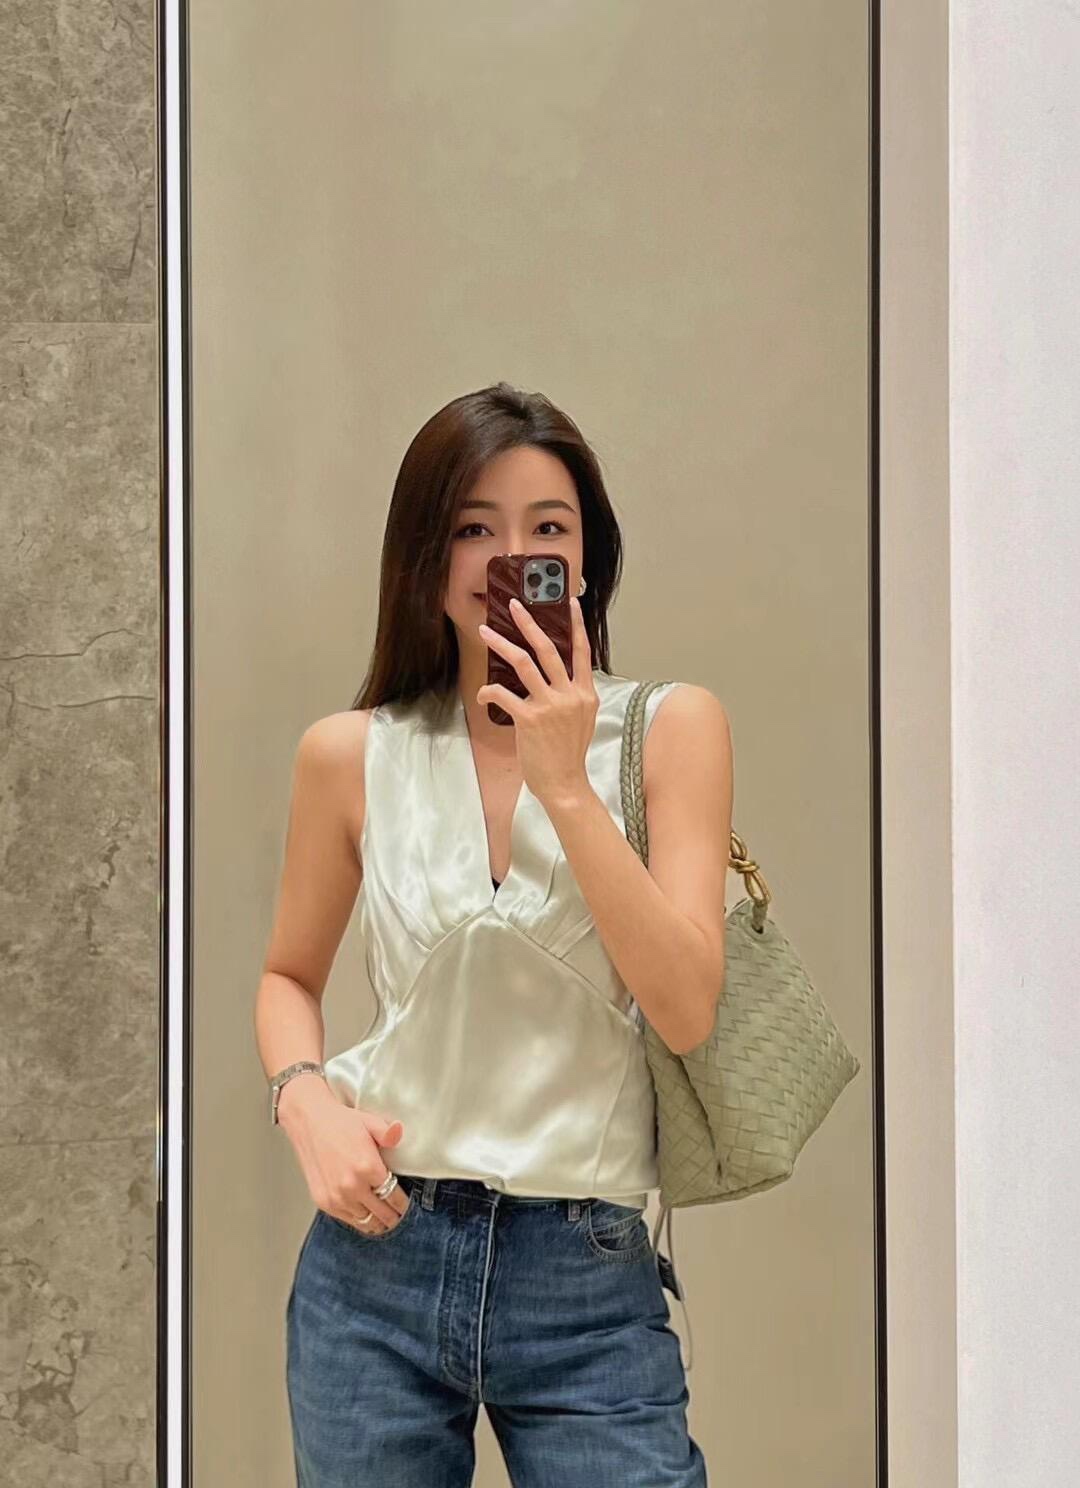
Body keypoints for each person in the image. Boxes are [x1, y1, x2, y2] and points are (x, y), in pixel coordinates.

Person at [255, 381, 733, 1487]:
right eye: (475, 529)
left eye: (547, 530)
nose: (511, 557)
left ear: (585, 563)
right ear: (426, 560)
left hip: (584, 1271)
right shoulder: (349, 753)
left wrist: (565, 782)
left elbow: (685, 1008)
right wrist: (307, 1104)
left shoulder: (669, 730)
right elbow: (286, 975)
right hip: (376, 1260)